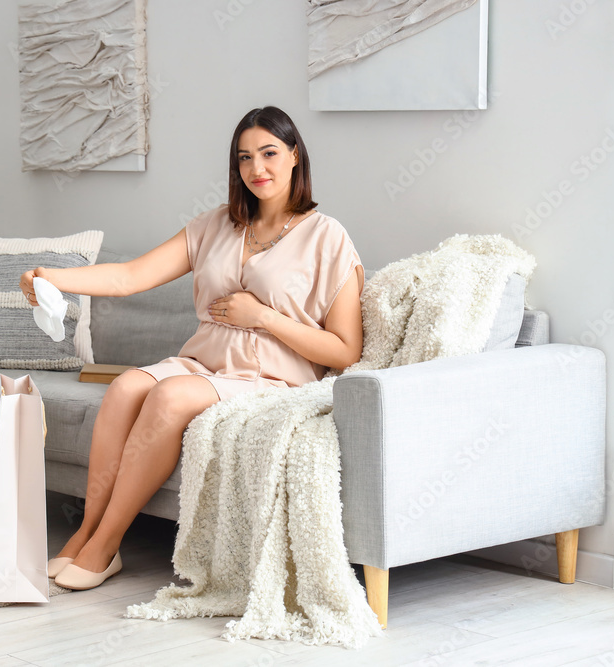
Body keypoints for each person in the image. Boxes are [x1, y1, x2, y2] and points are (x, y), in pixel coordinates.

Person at [19, 106, 365, 591]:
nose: (256, 169)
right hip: (202, 361)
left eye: (269, 153)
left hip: (270, 377)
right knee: (124, 388)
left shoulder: (328, 236)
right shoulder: (217, 224)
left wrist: (263, 317)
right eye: (244, 158)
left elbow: (346, 350)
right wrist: (49, 277)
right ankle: (85, 534)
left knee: (170, 396)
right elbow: (130, 275)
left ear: (294, 156)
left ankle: (105, 544)